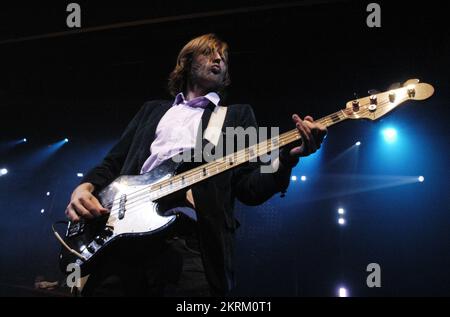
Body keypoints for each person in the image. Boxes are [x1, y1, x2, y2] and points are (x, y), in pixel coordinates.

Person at [65, 33, 327, 296]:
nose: (218, 59)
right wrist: (84, 188)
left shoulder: (236, 116)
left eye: (223, 58)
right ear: (187, 62)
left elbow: (250, 187)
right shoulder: (152, 110)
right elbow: (113, 162)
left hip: (188, 243)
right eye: (210, 53)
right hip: (121, 242)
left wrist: (288, 157)